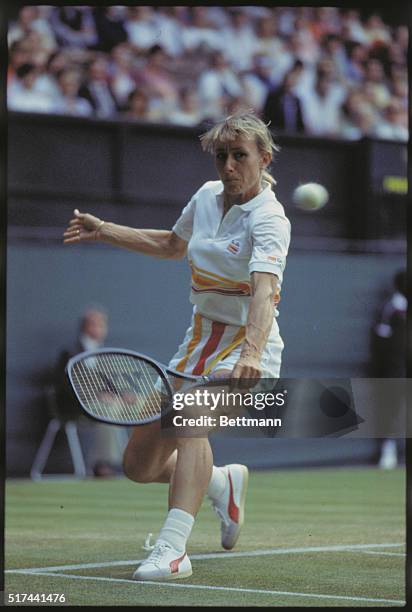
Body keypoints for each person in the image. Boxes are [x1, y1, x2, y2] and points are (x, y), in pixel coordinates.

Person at [63, 112, 291, 580]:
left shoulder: (270, 219)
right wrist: (105, 229)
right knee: (139, 465)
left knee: (190, 421)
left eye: (239, 156)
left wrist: (250, 354)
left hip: (248, 349)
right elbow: (171, 244)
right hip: (197, 345)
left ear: (263, 158)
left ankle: (172, 552)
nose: (228, 166)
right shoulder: (207, 197)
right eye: (222, 156)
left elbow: (264, 293)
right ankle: (221, 482)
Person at [54, 307, 126, 477]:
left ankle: (151, 462)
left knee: (147, 406)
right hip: (78, 406)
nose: (99, 329)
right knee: (109, 410)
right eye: (95, 325)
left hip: (106, 403)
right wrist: (96, 396)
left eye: (102, 325)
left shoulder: (105, 353)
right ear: (85, 327)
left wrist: (122, 394)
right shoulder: (70, 351)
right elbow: (66, 385)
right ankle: (103, 464)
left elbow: (112, 382)